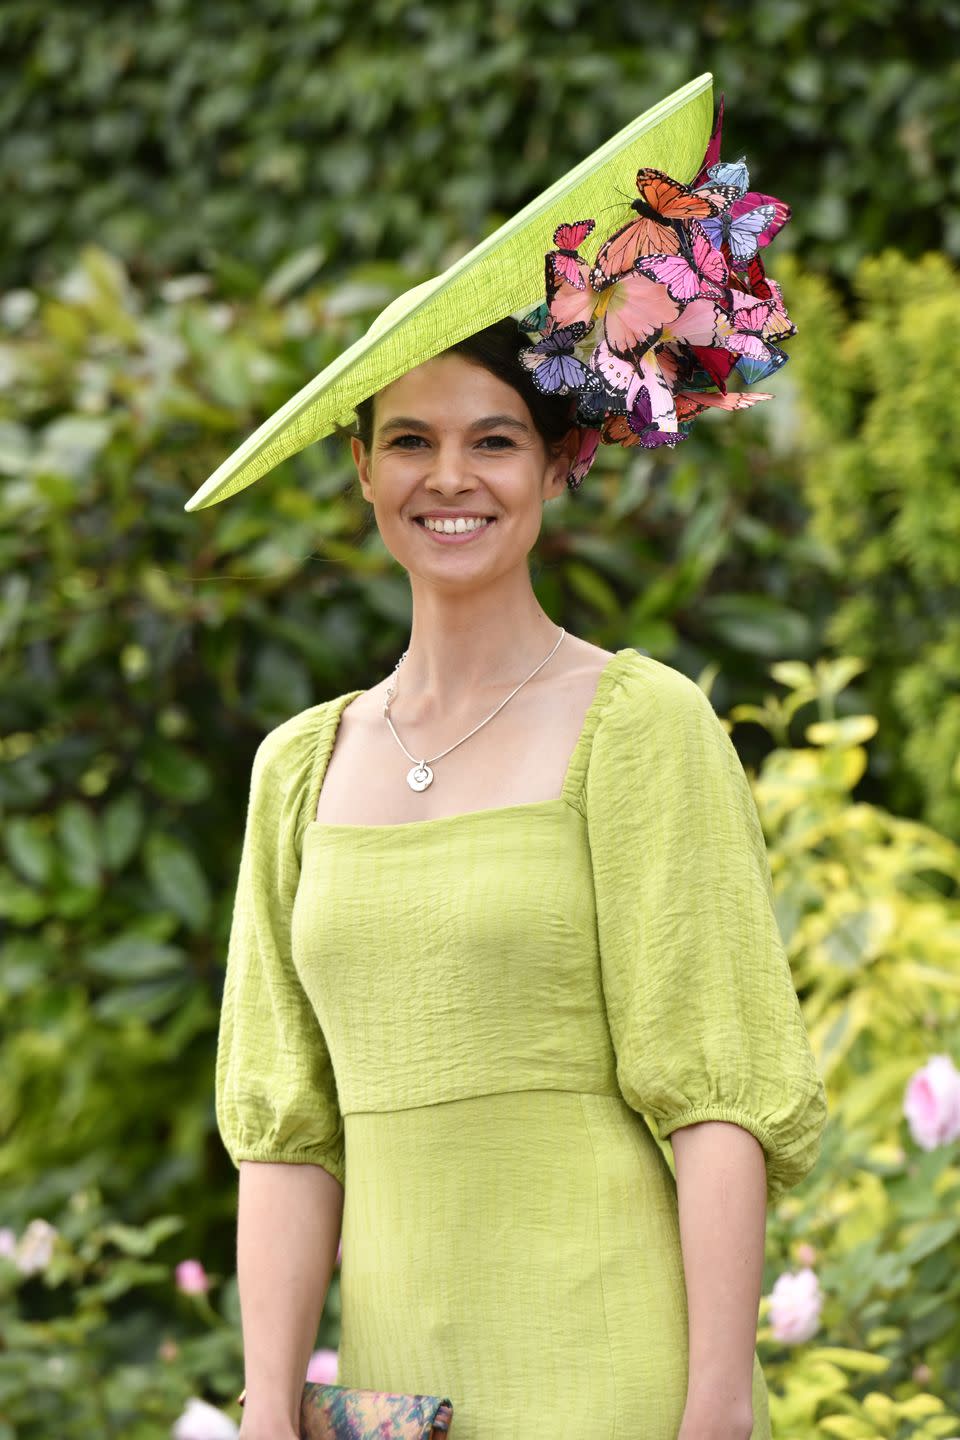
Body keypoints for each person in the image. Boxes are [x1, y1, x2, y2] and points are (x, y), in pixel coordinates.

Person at [213, 311, 828, 1440]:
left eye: (494, 441)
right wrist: (265, 1412)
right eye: (408, 442)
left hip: (615, 1376)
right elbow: (285, 1135)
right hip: (399, 1404)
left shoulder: (640, 725)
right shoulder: (297, 770)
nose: (450, 477)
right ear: (361, 470)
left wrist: (718, 1411)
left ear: (557, 463)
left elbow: (717, 1093)